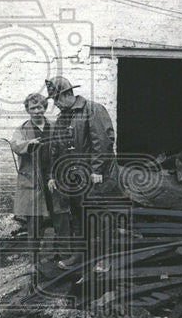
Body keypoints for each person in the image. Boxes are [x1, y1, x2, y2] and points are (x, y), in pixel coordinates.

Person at [45, 76, 116, 269]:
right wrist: (53, 175)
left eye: (57, 100)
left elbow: (103, 142)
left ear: (67, 94)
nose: (56, 105)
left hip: (95, 178)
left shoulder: (93, 110)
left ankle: (103, 259)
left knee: (98, 218)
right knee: (78, 217)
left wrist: (97, 170)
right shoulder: (62, 118)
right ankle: (80, 256)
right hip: (74, 180)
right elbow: (56, 149)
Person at [10, 92, 54, 252]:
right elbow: (15, 145)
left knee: (58, 218)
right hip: (32, 181)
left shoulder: (53, 127)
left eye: (40, 107)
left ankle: (56, 254)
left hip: (52, 178)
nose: (37, 111)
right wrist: (29, 144)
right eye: (33, 108)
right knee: (34, 223)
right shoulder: (22, 129)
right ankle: (34, 260)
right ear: (28, 110)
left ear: (45, 108)